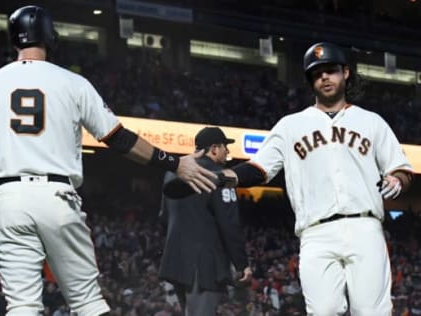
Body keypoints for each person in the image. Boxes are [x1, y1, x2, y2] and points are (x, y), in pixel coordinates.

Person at [0, 6, 217, 316]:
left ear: (13, 41)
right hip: (57, 197)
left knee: (22, 306)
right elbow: (120, 140)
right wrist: (174, 163)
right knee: (88, 304)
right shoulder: (73, 83)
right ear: (50, 36)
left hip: (8, 200)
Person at [168, 42, 414, 315]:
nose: (324, 77)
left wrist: (397, 179)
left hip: (366, 227)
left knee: (372, 312)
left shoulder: (372, 122)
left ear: (345, 73)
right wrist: (219, 177)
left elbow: (401, 168)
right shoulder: (290, 125)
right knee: (322, 311)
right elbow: (259, 169)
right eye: (316, 73)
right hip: (316, 231)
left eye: (330, 70)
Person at [159, 127, 253, 316]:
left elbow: (163, 217)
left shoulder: (173, 173)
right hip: (204, 266)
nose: (228, 151)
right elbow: (229, 224)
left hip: (176, 261)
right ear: (214, 149)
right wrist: (242, 264)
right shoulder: (220, 176)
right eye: (225, 146)